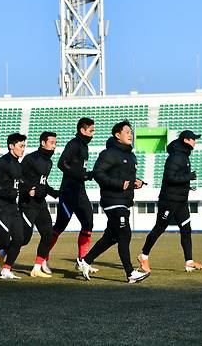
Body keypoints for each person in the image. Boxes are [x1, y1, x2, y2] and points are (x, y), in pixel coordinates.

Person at [79, 120, 149, 283]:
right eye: (127, 132)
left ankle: (85, 261)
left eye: (131, 132)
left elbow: (125, 178)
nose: (130, 134)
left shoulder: (130, 155)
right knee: (125, 234)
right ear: (117, 135)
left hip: (124, 200)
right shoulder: (108, 153)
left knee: (111, 237)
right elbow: (98, 173)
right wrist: (119, 184)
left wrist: (135, 182)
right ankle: (130, 273)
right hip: (113, 200)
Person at [139, 130, 202, 273]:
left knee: (186, 229)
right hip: (169, 201)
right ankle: (143, 256)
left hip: (181, 201)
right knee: (159, 228)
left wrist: (187, 183)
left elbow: (177, 177)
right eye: (194, 139)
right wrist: (188, 177)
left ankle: (189, 262)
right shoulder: (176, 157)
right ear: (186, 140)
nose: (195, 141)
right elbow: (170, 178)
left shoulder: (183, 155)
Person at [48, 118, 96, 274]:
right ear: (82, 130)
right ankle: (42, 259)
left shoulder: (84, 146)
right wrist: (81, 174)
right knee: (60, 227)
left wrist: (85, 175)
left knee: (88, 224)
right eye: (91, 130)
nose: (93, 133)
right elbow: (62, 163)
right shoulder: (74, 144)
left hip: (80, 192)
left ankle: (82, 261)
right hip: (68, 192)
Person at [0, 133, 27, 280]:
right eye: (20, 146)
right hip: (0, 207)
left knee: (19, 239)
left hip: (12, 207)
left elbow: (18, 184)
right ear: (11, 146)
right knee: (4, 241)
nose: (23, 149)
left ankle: (6, 269)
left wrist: (28, 189)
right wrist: (5, 192)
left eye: (24, 146)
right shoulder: (3, 162)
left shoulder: (18, 164)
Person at [19, 132, 59, 278]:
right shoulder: (31, 159)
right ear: (43, 143)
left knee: (48, 234)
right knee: (23, 239)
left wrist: (55, 193)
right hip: (27, 204)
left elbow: (43, 183)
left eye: (55, 143)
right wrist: (27, 190)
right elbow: (19, 178)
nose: (54, 145)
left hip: (41, 204)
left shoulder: (49, 162)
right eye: (52, 142)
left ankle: (36, 268)